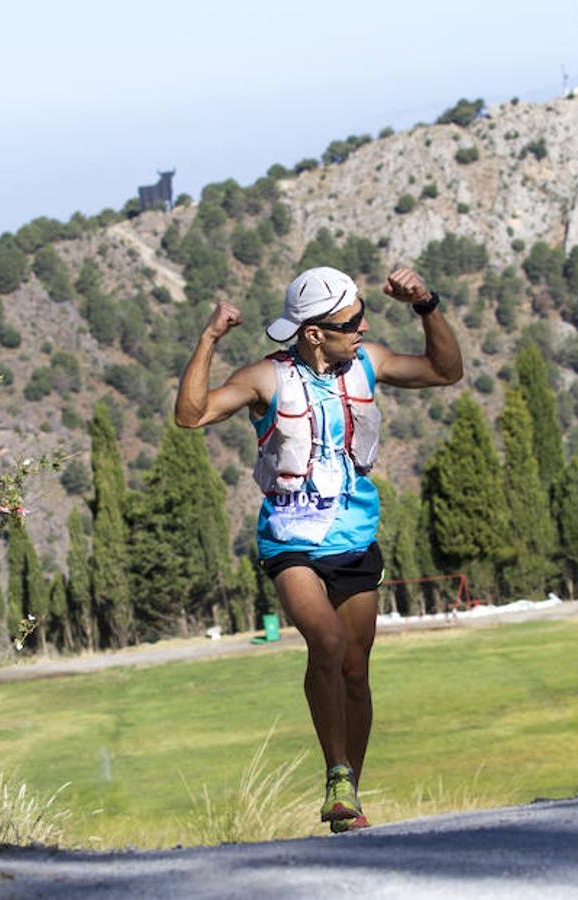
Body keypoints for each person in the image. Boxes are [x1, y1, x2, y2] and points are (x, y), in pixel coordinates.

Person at [175, 264, 462, 833]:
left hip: (354, 538)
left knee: (356, 669)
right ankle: (335, 771)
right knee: (327, 642)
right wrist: (208, 338)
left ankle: (347, 796)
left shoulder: (369, 362)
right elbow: (192, 414)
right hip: (291, 543)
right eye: (351, 322)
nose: (363, 327)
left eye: (361, 317)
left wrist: (426, 304)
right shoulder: (265, 379)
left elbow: (444, 371)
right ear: (313, 333)